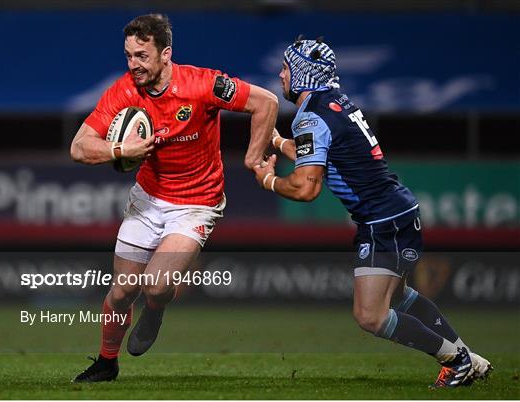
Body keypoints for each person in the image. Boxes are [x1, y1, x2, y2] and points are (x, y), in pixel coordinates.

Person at [252, 36, 492, 388]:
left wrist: (269, 181)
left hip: (384, 222)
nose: (281, 75)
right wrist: (275, 142)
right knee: (397, 298)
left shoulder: (311, 117)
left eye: (287, 68)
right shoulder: (331, 104)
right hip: (395, 213)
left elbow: (307, 187)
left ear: (303, 73)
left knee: (370, 316)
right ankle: (469, 358)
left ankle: (456, 360)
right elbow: (318, 153)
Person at [70, 14, 278, 382]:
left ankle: (155, 309)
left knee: (157, 284)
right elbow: (79, 147)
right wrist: (121, 149)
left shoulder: (202, 84)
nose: (133, 65)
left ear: (166, 53)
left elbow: (266, 103)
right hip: (148, 201)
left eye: (142, 56)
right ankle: (106, 363)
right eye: (128, 56)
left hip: (197, 203)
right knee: (120, 292)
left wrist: (252, 157)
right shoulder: (123, 91)